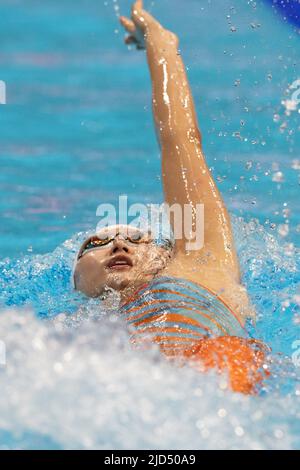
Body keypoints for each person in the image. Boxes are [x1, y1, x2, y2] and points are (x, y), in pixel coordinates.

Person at [73, 1, 270, 394]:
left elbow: (179, 139)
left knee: (228, 353)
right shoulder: (68, 336)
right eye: (94, 243)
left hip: (214, 367)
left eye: (137, 238)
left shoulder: (198, 261)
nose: (116, 243)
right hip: (133, 391)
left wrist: (160, 46)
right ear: (76, 281)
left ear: (165, 252)